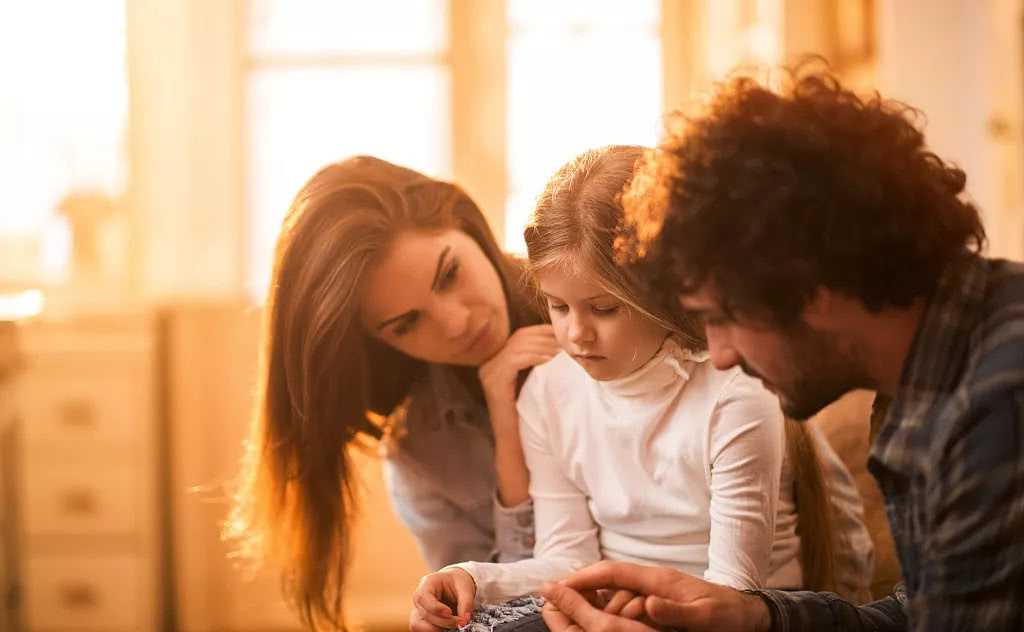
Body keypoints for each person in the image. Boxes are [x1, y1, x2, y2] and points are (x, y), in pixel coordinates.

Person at [539, 68, 1024, 631]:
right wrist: (757, 617)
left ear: (807, 285)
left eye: (721, 318)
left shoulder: (994, 408)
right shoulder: (931, 371)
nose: (718, 355)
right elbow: (921, 615)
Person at [410, 146, 873, 632]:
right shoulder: (547, 391)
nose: (576, 334)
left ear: (666, 291)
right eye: (558, 307)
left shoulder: (736, 392)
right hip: (613, 610)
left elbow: (733, 595)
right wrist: (470, 576)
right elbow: (568, 558)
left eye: (604, 309)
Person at [225, 156, 560, 630]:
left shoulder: (608, 308)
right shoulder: (421, 454)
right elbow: (496, 612)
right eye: (406, 323)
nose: (457, 322)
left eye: (449, 274)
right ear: (379, 343)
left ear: (465, 224)